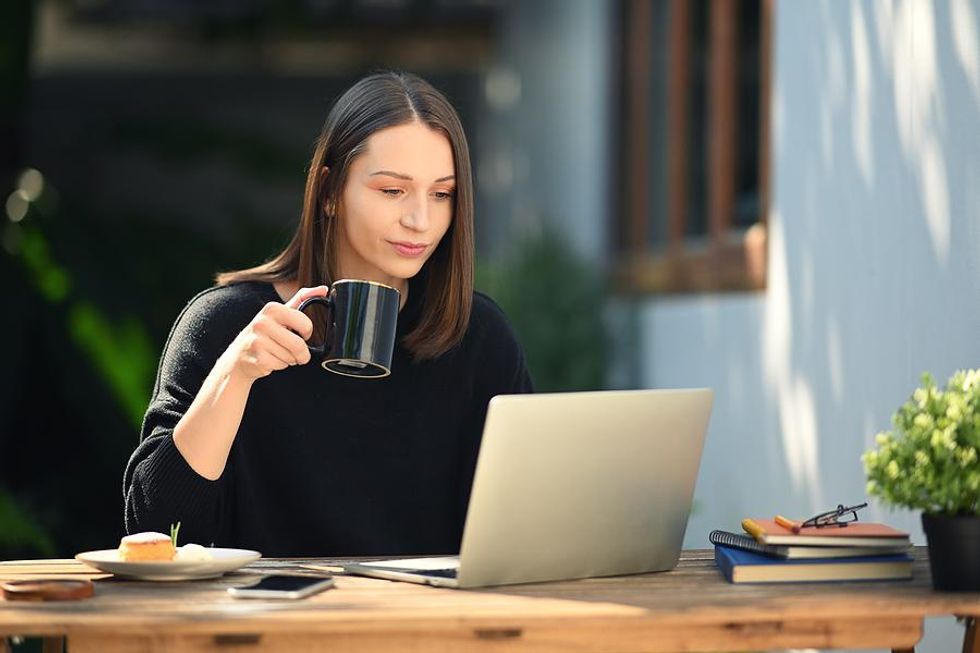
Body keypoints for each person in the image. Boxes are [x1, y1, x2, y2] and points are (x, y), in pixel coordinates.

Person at [122, 72, 533, 557]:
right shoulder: (227, 324)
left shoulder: (477, 337)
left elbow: (526, 528)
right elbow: (154, 528)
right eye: (392, 191)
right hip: (268, 625)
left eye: (441, 194)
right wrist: (235, 376)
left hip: (428, 623)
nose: (420, 220)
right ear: (330, 190)